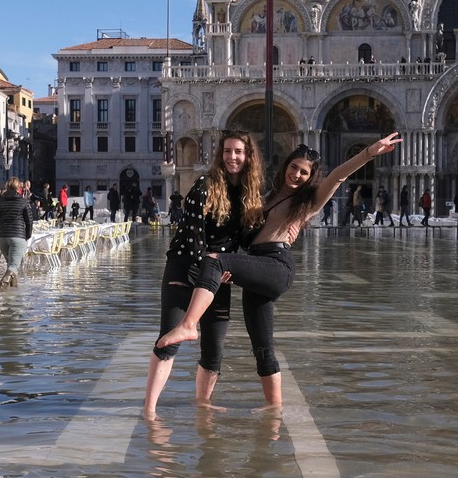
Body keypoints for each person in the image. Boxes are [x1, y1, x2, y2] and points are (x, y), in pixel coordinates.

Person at [156, 134, 401, 407]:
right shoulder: (268, 195)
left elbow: (337, 176)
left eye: (304, 172)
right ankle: (273, 412)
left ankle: (189, 325)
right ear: (286, 166)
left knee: (217, 260)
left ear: (311, 177)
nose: (296, 175)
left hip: (276, 265)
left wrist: (369, 152)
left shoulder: (308, 201)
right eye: (294, 167)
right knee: (262, 347)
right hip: (256, 267)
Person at [143, 130, 265, 418]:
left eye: (238, 152)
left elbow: (246, 239)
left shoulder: (249, 193)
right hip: (185, 268)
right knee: (168, 340)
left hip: (218, 275)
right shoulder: (205, 185)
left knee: (214, 347)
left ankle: (202, 405)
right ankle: (149, 410)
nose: (232, 157)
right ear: (219, 155)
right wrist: (210, 269)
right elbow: (193, 234)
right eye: (227, 151)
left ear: (248, 157)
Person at [0, 177, 33, 291]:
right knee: (13, 266)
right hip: (17, 236)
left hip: (2, 237)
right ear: (18, 188)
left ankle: (14, 292)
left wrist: (3, 222)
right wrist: (27, 235)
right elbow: (29, 221)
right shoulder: (23, 201)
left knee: (11, 264)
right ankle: (2, 286)